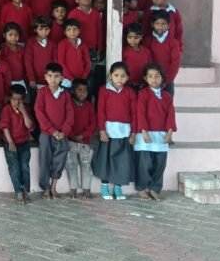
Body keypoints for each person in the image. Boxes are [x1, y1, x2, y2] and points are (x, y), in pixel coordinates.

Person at [92, 61, 136, 200]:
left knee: (122, 161)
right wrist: (102, 130)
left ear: (127, 77)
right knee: (106, 160)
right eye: (116, 75)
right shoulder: (104, 90)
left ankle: (118, 187)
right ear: (110, 76)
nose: (119, 79)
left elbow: (134, 113)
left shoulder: (130, 92)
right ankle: (104, 186)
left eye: (123, 76)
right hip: (109, 131)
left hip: (124, 131)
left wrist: (133, 132)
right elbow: (101, 111)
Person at [134, 63, 177, 201]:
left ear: (162, 78)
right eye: (150, 76)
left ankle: (155, 188)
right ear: (145, 79)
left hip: (162, 135)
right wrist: (143, 131)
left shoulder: (167, 96)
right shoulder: (143, 94)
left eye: (157, 76)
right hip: (145, 134)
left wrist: (169, 132)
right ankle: (142, 188)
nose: (154, 79)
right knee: (144, 164)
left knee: (160, 164)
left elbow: (171, 114)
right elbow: (140, 113)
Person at [34, 63, 74, 199]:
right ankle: (45, 187)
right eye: (50, 76)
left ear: (62, 78)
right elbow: (39, 112)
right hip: (46, 133)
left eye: (56, 76)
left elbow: (70, 113)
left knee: (59, 160)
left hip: (62, 134)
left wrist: (64, 131)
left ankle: (53, 187)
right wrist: (52, 131)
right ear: (45, 77)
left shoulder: (65, 94)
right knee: (44, 160)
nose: (53, 79)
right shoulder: (42, 92)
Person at [0, 84, 34, 204]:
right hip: (10, 143)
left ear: (23, 99)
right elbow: (4, 126)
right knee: (14, 168)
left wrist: (23, 112)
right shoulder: (7, 109)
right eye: (14, 99)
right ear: (9, 98)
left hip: (24, 143)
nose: (17, 102)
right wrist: (10, 142)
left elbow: (29, 126)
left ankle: (26, 191)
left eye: (19, 100)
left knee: (25, 167)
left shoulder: (26, 110)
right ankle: (18, 191)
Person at [66, 79, 96, 199]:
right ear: (73, 91)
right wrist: (72, 135)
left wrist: (82, 135)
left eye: (85, 90)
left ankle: (86, 189)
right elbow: (66, 121)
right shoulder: (69, 104)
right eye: (79, 90)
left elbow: (93, 125)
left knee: (86, 165)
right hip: (70, 141)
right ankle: (73, 189)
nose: (82, 93)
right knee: (71, 165)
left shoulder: (89, 106)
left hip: (84, 141)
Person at [142, 10, 182, 96]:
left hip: (167, 79)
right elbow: (147, 60)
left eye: (163, 24)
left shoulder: (173, 42)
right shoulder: (147, 41)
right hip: (152, 79)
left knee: (167, 99)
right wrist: (152, 78)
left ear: (168, 25)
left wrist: (166, 80)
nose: (160, 27)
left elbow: (175, 62)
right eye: (157, 23)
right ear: (152, 24)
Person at [56, 19, 91, 87]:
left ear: (79, 31)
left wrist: (83, 77)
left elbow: (87, 62)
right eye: (68, 29)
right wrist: (71, 78)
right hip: (67, 80)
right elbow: (61, 63)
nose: (72, 32)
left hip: (82, 78)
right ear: (64, 32)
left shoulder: (83, 45)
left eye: (75, 29)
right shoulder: (62, 44)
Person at [123, 23, 153, 90]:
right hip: (128, 84)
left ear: (141, 37)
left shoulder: (146, 51)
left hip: (143, 84)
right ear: (126, 37)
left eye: (136, 37)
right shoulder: (124, 51)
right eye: (130, 37)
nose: (133, 40)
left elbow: (150, 67)